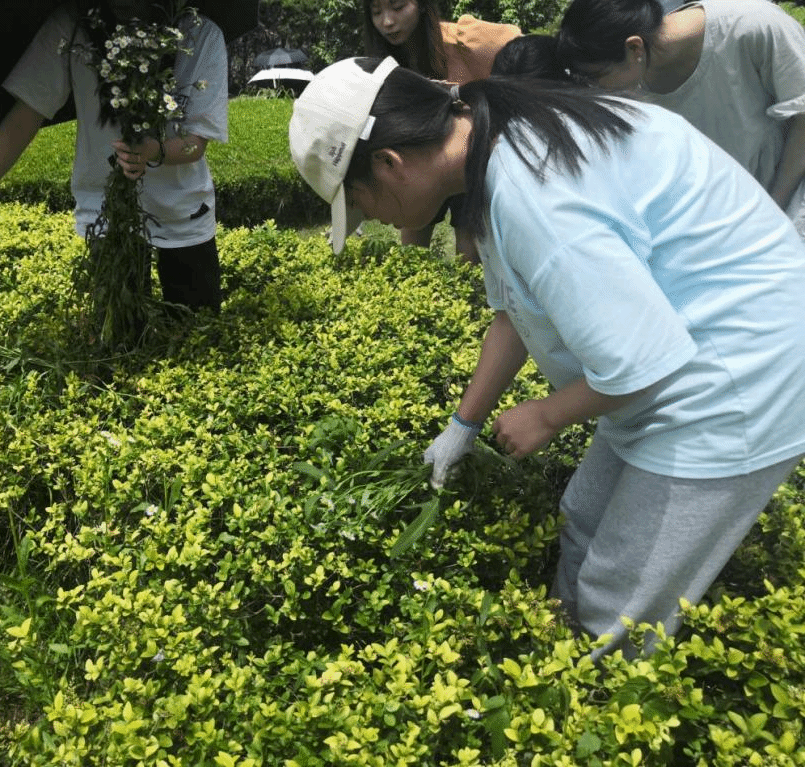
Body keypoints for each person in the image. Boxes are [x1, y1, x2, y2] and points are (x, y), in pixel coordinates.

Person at [288, 56, 805, 659]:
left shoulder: (532, 194)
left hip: (736, 377)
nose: (375, 219)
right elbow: (515, 310)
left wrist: (546, 415)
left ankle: (594, 686)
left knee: (619, 606)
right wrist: (463, 425)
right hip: (678, 357)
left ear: (389, 164)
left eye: (362, 203)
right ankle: (559, 654)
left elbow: (641, 359)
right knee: (580, 519)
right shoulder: (499, 145)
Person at [0, 0, 229, 312]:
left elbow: (196, 142)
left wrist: (155, 150)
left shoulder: (199, 33)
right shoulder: (73, 25)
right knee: (119, 329)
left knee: (197, 325)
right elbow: (25, 116)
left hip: (184, 211)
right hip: (105, 210)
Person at [557, 0, 805, 239]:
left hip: (789, 205)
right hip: (727, 223)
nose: (593, 89)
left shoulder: (755, 25)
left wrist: (772, 210)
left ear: (634, 49)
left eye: (595, 76)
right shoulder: (633, 82)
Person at [362, 0, 520, 255]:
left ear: (422, 5)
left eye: (398, 7)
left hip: (467, 158)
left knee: (468, 251)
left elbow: (523, 48)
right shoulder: (384, 64)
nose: (387, 22)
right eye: (376, 12)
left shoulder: (464, 41)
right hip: (419, 160)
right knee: (411, 250)